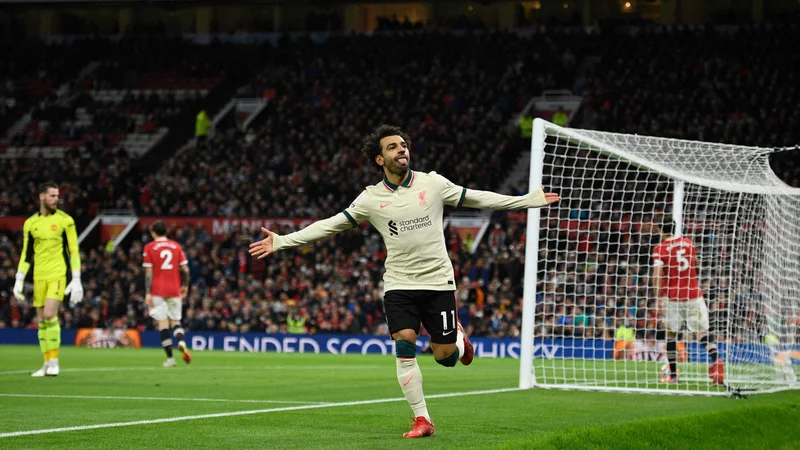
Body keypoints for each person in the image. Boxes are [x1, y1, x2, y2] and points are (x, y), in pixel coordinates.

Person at [249, 124, 560, 438]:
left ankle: (456, 340)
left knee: (445, 359)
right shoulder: (371, 198)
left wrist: (526, 200)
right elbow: (331, 225)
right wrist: (283, 241)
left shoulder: (433, 184)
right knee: (405, 345)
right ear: (379, 159)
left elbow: (478, 198)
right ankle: (422, 419)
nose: (401, 150)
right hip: (399, 284)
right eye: (393, 147)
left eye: (403, 145)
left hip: (438, 283)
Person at [13, 181, 83, 377]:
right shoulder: (30, 223)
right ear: (42, 197)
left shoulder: (65, 220)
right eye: (52, 195)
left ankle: (54, 362)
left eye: (57, 195)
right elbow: (26, 254)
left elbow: (73, 251)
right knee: (41, 321)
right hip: (39, 276)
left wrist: (76, 278)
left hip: (57, 274)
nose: (56, 199)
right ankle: (45, 362)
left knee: (51, 315)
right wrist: (19, 278)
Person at [651, 217, 723, 385]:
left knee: (671, 336)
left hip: (673, 297)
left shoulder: (660, 248)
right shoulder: (689, 244)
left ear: (661, 230)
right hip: (694, 295)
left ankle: (674, 375)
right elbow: (695, 263)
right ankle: (716, 361)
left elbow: (657, 273)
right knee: (702, 334)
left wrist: (658, 297)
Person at [142, 221, 192, 367]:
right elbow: (185, 269)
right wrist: (185, 285)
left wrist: (147, 292)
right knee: (176, 321)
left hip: (158, 290)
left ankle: (170, 359)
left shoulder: (149, 247)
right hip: (174, 288)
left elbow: (149, 272)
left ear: (153, 232)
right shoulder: (176, 246)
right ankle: (181, 342)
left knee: (163, 324)